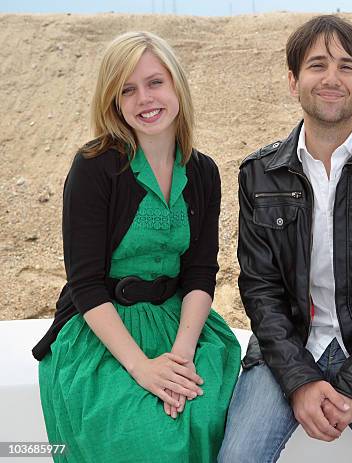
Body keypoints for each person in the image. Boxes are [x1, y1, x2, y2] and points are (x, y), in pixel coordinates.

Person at [218, 15, 352, 463]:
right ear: (293, 81)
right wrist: (298, 381)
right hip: (286, 352)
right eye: (317, 65)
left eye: (346, 66)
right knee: (237, 457)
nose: (332, 78)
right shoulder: (259, 174)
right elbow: (260, 288)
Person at [32, 31, 241, 462]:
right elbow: (85, 284)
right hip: (102, 331)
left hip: (179, 325)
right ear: (113, 102)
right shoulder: (94, 167)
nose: (144, 98)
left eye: (154, 82)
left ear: (176, 84)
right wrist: (142, 368)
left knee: (208, 416)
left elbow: (201, 271)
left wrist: (181, 357)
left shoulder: (203, 172)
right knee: (139, 433)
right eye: (127, 90)